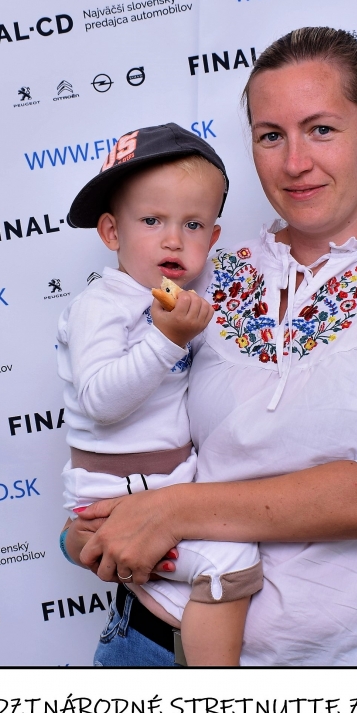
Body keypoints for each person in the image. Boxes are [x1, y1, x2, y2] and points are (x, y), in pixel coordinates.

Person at [66, 27, 357, 665]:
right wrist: (90, 525)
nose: (294, 163)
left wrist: (168, 511)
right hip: (144, 639)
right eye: (270, 136)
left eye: (320, 129)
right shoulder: (202, 267)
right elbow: (117, 407)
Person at [57, 123, 263, 666]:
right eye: (151, 221)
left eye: (192, 225)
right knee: (229, 564)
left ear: (212, 240)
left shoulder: (181, 301)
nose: (173, 240)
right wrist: (166, 339)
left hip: (167, 487)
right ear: (111, 231)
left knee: (224, 557)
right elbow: (100, 401)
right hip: (118, 493)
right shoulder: (102, 304)